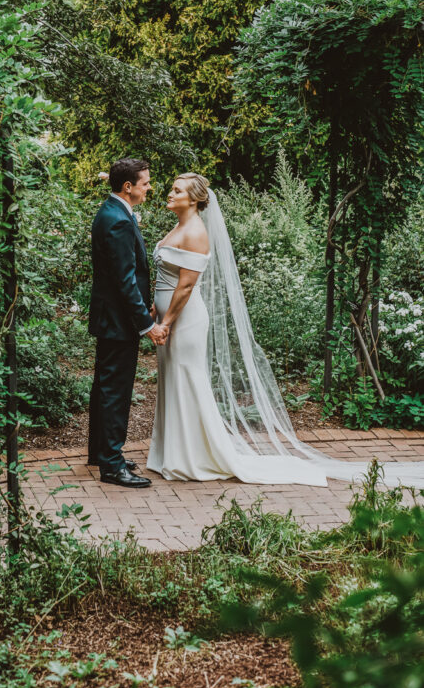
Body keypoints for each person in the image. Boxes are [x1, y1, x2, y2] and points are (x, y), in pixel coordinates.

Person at [147, 173, 424, 488]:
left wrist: (166, 321)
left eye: (177, 190)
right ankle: (171, 452)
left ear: (194, 199)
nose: (170, 193)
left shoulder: (195, 231)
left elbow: (186, 285)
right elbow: (169, 276)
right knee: (171, 379)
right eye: (172, 188)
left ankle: (192, 456)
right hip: (169, 315)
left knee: (187, 380)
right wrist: (158, 308)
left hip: (184, 320)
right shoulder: (178, 226)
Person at [88, 158, 168, 488]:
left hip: (111, 318)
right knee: (115, 392)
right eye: (146, 183)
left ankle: (101, 453)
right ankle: (111, 465)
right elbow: (125, 280)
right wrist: (146, 324)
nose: (150, 188)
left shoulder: (113, 211)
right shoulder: (118, 220)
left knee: (104, 388)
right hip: (119, 321)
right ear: (128, 187)